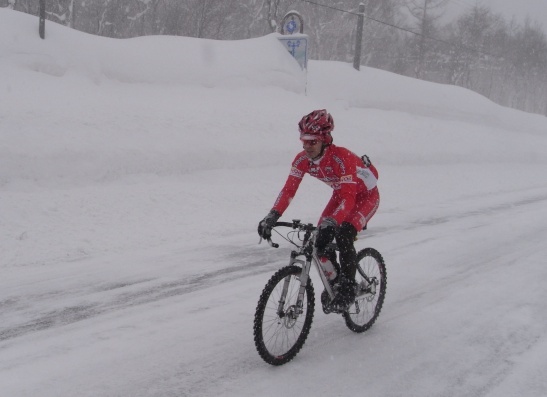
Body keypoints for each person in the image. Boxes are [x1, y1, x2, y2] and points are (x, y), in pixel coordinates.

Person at [257, 109, 380, 312]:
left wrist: (333, 223)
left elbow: (350, 198)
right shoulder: (301, 160)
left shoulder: (343, 158)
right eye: (303, 141)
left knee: (344, 234)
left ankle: (348, 288)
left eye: (312, 142)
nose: (307, 147)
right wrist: (272, 215)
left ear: (325, 140)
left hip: (365, 197)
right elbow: (289, 189)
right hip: (341, 195)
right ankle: (336, 281)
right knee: (319, 240)